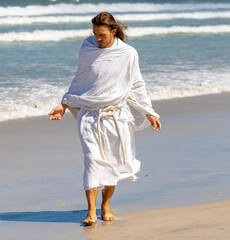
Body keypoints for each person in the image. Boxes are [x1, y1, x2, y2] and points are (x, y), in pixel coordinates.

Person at [48, 12, 161, 225]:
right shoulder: (87, 47)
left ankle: (105, 207)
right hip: (89, 116)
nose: (97, 39)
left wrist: (149, 111)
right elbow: (81, 79)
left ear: (113, 31)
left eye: (101, 35)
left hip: (116, 116)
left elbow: (136, 84)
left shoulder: (128, 53)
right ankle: (91, 212)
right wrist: (63, 104)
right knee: (92, 160)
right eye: (94, 34)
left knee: (113, 162)